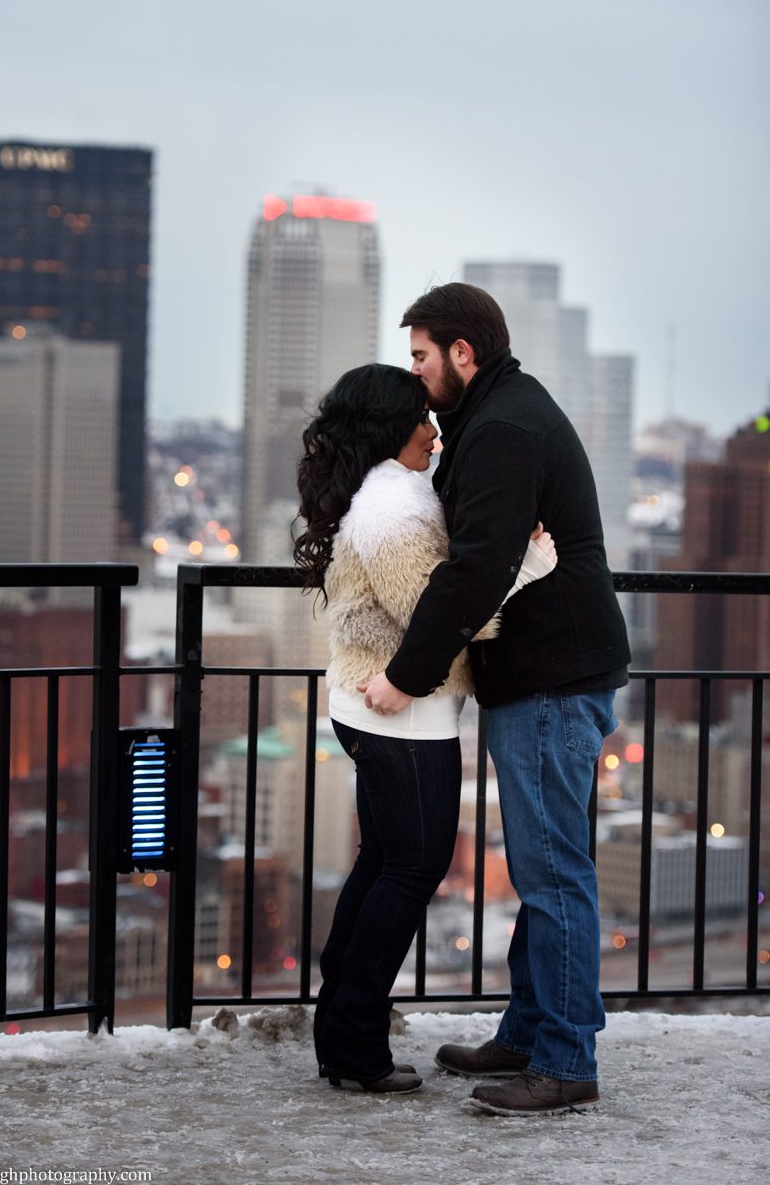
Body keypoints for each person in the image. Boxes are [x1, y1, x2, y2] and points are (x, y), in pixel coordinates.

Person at [360, 283, 631, 1115]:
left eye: (421, 356)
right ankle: (528, 1032)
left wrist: (404, 676)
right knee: (541, 867)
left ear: (462, 355)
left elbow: (475, 569)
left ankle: (564, 1061)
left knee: (553, 873)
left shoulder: (504, 430)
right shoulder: (499, 415)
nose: (416, 373)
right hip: (545, 674)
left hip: (551, 678)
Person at [294, 363, 557, 1094]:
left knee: (383, 865)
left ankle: (341, 1034)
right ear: (387, 426)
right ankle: (353, 1045)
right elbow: (438, 617)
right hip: (403, 717)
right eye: (420, 417)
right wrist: (527, 569)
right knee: (410, 870)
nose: (434, 431)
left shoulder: (385, 493)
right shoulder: (395, 509)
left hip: (373, 708)